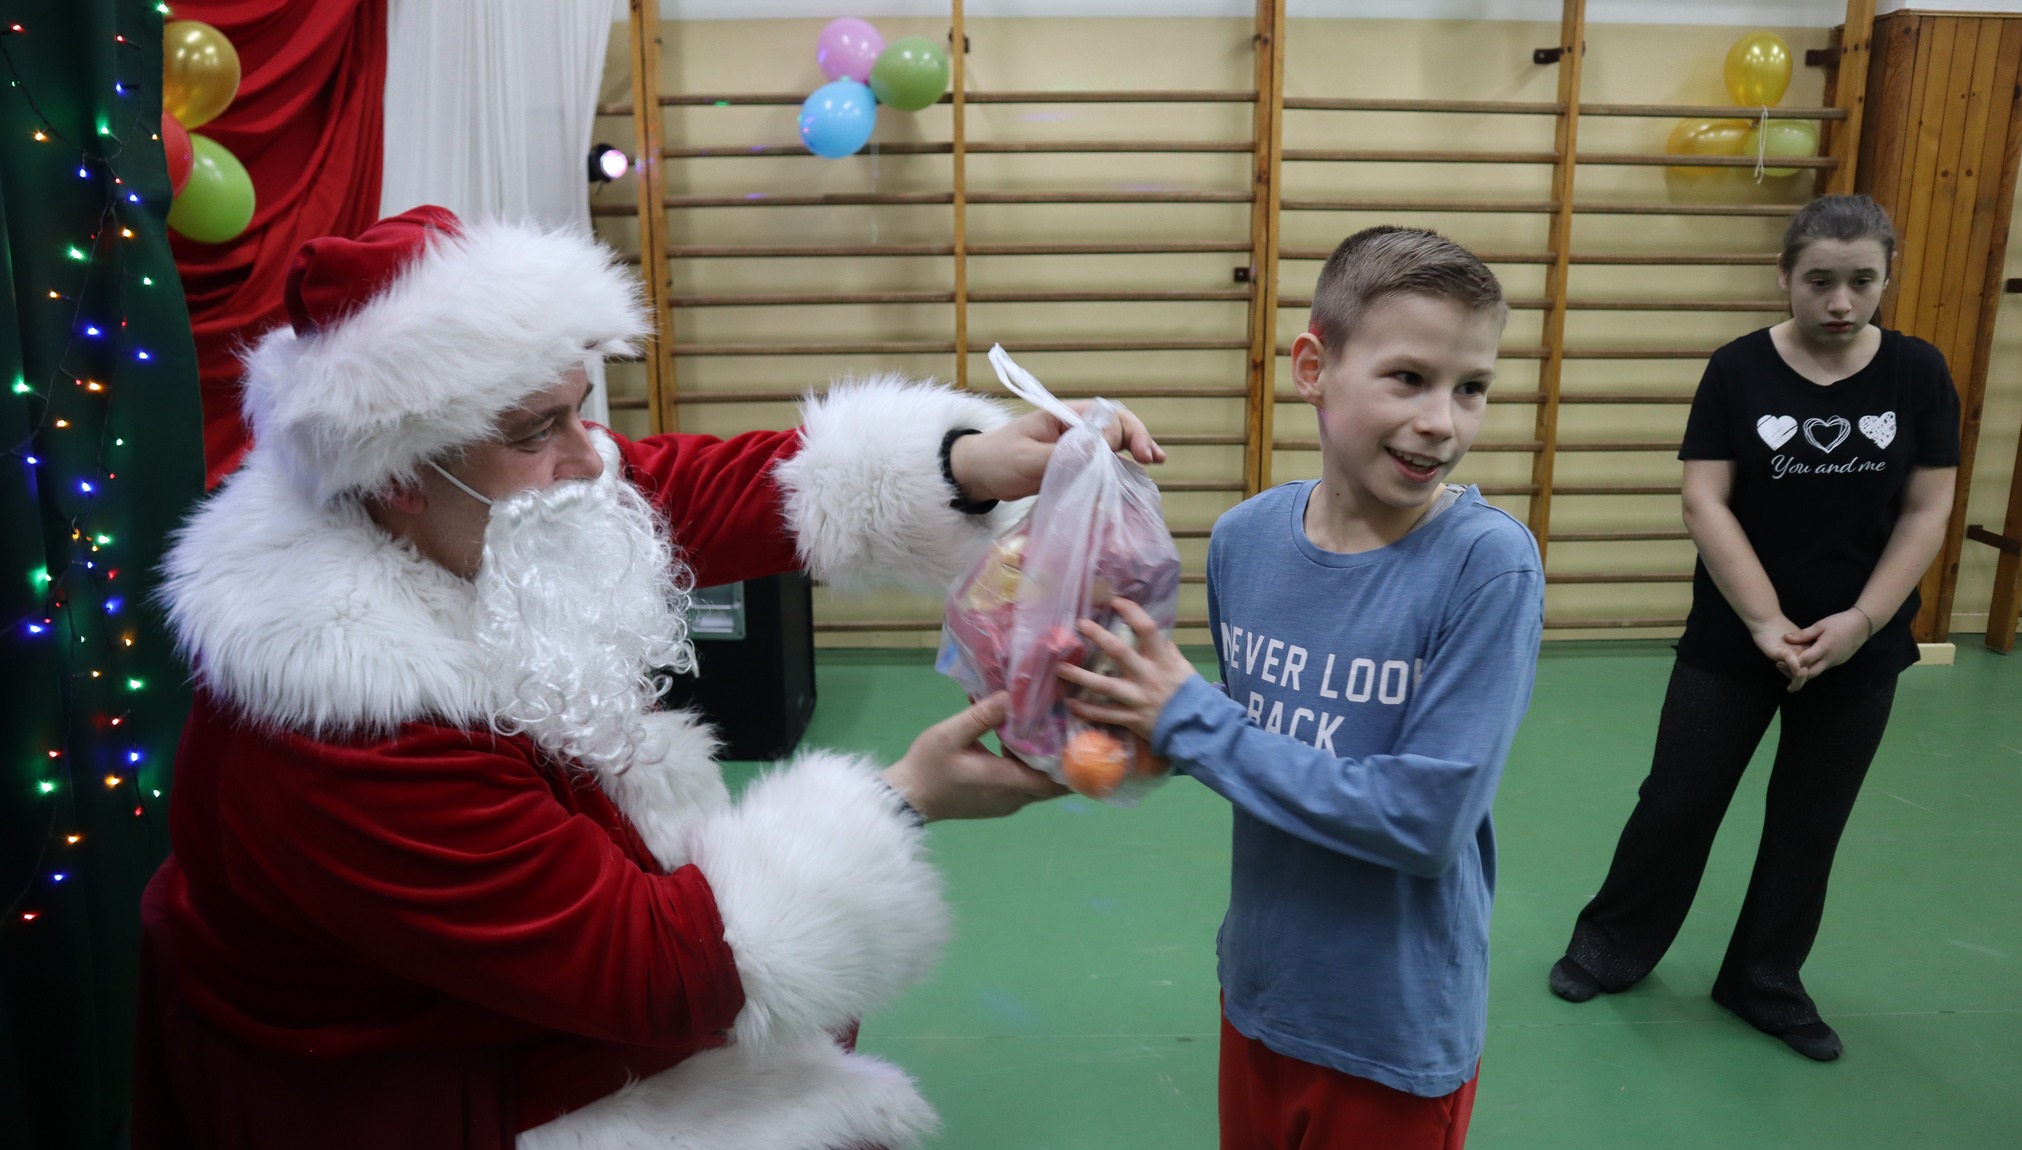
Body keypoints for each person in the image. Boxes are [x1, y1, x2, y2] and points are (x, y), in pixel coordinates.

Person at [129, 205, 1166, 1150]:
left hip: (499, 997)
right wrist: (897, 804)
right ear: (397, 472)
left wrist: (970, 463)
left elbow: (680, 488)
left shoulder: (457, 507)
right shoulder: (348, 727)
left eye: (578, 410)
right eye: (536, 429)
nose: (591, 458)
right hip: (426, 1082)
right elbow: (653, 972)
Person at [1060, 226, 1545, 1150]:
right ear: (1313, 368)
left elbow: (1426, 821)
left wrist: (1194, 723)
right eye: (1409, 378)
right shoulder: (1245, 541)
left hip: (1391, 1031)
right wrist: (1133, 729)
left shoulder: (1488, 568)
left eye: (1471, 388)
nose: (1443, 421)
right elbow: (1257, 738)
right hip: (1261, 990)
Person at [1547, 194, 1959, 1062]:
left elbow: (1928, 508)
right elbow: (1705, 499)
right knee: (1677, 800)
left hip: (1859, 650)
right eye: (1820, 281)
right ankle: (1611, 945)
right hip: (1732, 641)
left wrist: (1860, 623)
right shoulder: (1737, 369)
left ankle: (1763, 979)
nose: (1840, 302)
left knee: (1811, 821)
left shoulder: (1918, 373)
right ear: (1784, 276)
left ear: (1887, 279)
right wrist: (1767, 623)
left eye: (1862, 281)